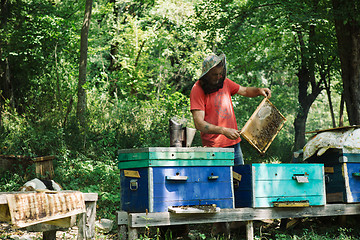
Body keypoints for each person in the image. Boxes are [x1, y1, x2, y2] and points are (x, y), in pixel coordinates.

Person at [190, 53, 271, 166]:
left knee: (240, 180)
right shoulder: (197, 90)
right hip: (213, 148)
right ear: (206, 74)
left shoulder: (225, 82)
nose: (218, 77)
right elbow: (199, 123)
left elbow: (245, 91)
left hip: (234, 145)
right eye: (214, 74)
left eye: (220, 73)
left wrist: (259, 90)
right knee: (220, 181)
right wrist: (223, 130)